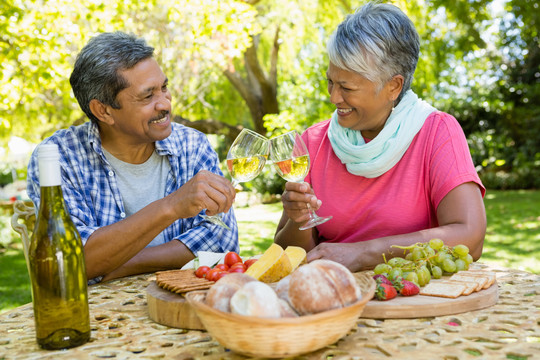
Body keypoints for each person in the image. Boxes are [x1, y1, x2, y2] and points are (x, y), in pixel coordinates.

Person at [274, 2, 486, 272]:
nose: (333, 97)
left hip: (413, 298)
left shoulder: (436, 132)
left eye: (347, 87)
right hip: (332, 297)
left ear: (393, 86)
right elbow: (286, 254)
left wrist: (363, 253)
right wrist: (297, 220)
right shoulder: (313, 142)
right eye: (331, 82)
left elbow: (471, 237)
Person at [26, 32, 239, 283]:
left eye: (164, 88)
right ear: (103, 110)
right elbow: (69, 261)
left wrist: (120, 265)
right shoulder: (58, 159)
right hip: (98, 315)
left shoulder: (192, 145)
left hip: (182, 302)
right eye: (148, 96)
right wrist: (171, 206)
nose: (165, 104)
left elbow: (221, 240)